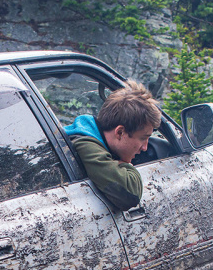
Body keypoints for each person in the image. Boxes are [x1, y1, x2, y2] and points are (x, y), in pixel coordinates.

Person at [62, 80, 162, 210]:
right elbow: (130, 195)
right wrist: (126, 166)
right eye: (143, 138)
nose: (145, 147)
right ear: (120, 132)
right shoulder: (85, 144)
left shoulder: (88, 134)